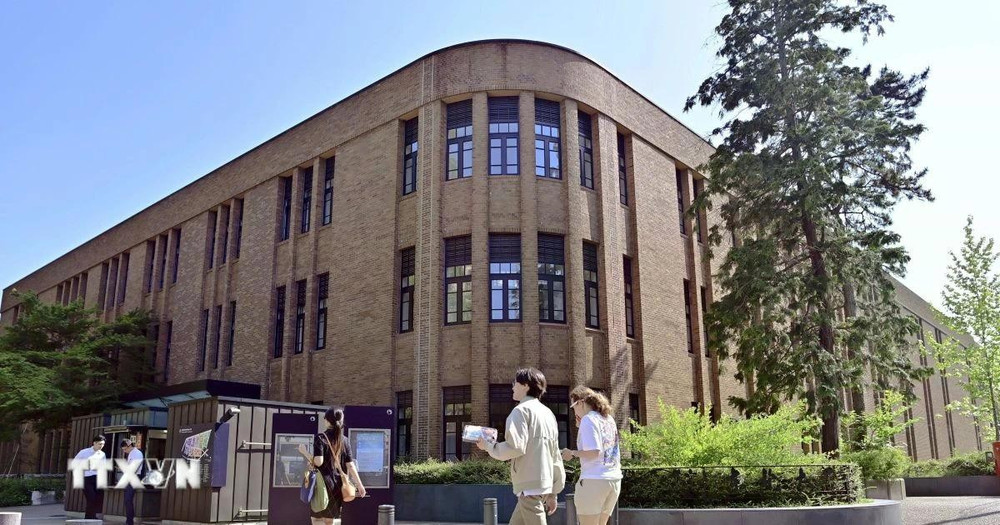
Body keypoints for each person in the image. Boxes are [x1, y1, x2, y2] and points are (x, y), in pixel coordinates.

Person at [477, 368, 565, 525]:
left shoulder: (520, 411)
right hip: (543, 481)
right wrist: (553, 492)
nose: (512, 387)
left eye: (515, 383)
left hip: (529, 483)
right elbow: (555, 454)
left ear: (526, 386)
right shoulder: (548, 413)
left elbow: (515, 447)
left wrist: (489, 446)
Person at [561, 386, 622, 525]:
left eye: (573, 406)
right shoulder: (608, 418)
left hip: (594, 480)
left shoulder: (588, 419)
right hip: (613, 479)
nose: (573, 411)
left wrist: (572, 453)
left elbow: (594, 452)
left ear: (580, 403)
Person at [297, 408, 366, 525]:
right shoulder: (345, 440)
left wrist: (304, 452)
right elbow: (350, 465)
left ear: (327, 420)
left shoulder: (320, 437)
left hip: (321, 485)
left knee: (317, 519)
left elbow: (319, 462)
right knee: (329, 520)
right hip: (337, 486)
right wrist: (360, 485)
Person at [73, 434, 106, 520]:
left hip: (97, 478)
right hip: (86, 478)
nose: (101, 446)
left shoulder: (102, 454)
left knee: (97, 498)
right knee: (91, 497)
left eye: (103, 444)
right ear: (94, 443)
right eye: (99, 444)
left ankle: (91, 517)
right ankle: (89, 518)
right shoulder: (84, 452)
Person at [120, 439, 144, 525]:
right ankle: (129, 520)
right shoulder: (131, 453)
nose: (124, 451)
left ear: (129, 446)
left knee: (128, 499)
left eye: (125, 449)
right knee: (127, 499)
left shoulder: (137, 453)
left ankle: (129, 521)